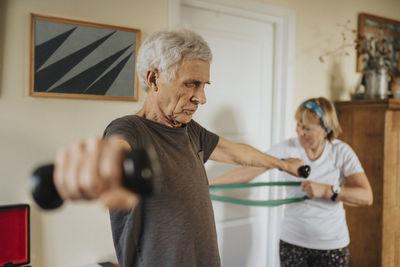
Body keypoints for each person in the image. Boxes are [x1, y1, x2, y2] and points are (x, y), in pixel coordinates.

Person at [52, 29, 305, 267]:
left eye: (204, 85)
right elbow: (115, 155)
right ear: (154, 79)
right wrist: (98, 168)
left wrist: (283, 164)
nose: (201, 97)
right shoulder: (130, 129)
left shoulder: (190, 130)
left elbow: (236, 152)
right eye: (190, 84)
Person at [210, 97, 373, 267]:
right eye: (298, 125)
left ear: (326, 129)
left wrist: (328, 190)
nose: (299, 132)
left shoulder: (341, 152)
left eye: (307, 128)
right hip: (293, 242)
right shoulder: (286, 148)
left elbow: (366, 196)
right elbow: (250, 170)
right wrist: (208, 184)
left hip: (332, 245)